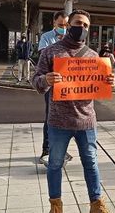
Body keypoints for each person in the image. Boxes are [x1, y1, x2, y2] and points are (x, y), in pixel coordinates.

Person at [32, 9, 114, 212]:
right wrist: (45, 80)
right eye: (78, 23)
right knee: (55, 164)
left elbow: (98, 87)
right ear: (69, 25)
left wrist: (108, 82)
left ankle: (96, 204)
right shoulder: (51, 52)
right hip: (59, 122)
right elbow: (35, 81)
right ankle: (56, 205)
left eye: (86, 25)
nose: (82, 28)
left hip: (86, 121)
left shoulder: (94, 56)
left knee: (91, 164)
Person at [37, 10, 72, 166]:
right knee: (50, 116)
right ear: (54, 23)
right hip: (52, 84)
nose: (63, 28)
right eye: (60, 25)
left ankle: (61, 149)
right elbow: (43, 57)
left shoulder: (71, 39)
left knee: (65, 118)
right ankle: (47, 149)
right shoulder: (46, 38)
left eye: (66, 25)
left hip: (67, 84)